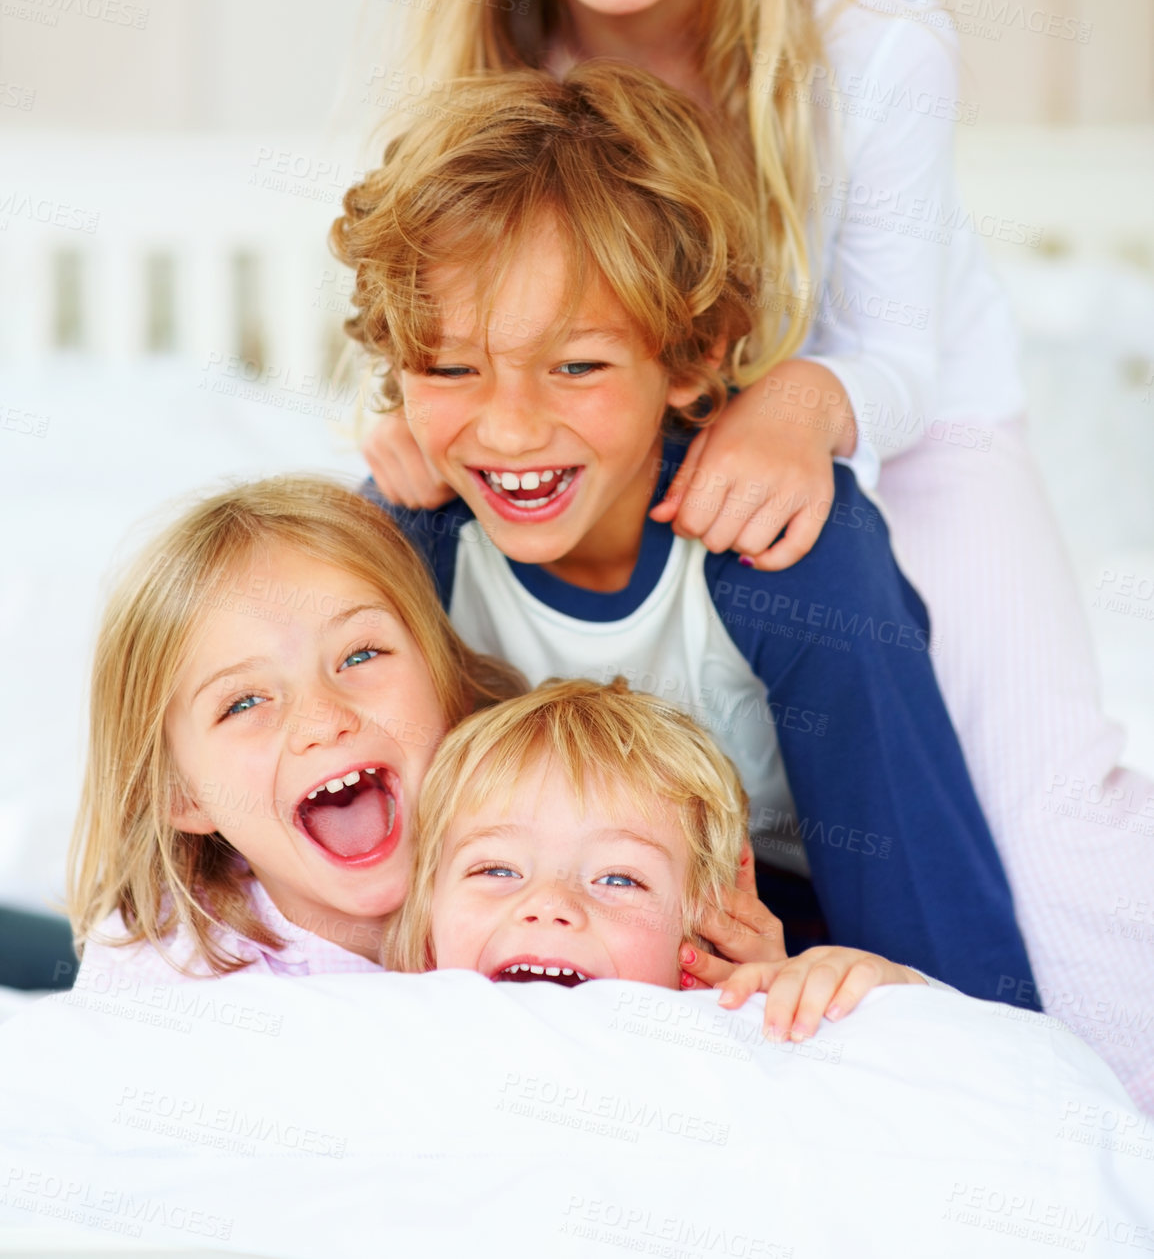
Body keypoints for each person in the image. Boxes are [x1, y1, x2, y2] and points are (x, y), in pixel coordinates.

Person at [356, 0, 1153, 1107]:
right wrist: (409, 422)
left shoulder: (869, 28)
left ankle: (1031, 1102)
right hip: (620, 446)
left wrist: (803, 401)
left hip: (903, 431)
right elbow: (454, 318)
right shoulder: (487, 57)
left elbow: (897, 353)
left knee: (1054, 843)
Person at [333, 60, 1036, 1004]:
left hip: (767, 956)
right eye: (451, 370)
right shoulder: (406, 553)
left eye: (576, 366)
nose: (506, 430)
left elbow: (937, 938)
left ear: (692, 357)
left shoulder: (786, 555)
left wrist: (831, 984)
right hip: (502, 951)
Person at [68, 476, 521, 984]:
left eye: (360, 655)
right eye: (243, 703)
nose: (323, 722)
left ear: (449, 685)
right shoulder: (161, 982)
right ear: (181, 793)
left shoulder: (553, 906)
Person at [390, 677, 933, 1043]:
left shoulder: (739, 1042)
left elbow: (937, 1065)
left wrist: (877, 993)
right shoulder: (384, 1031)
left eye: (619, 878)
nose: (549, 905)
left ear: (700, 938)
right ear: (427, 925)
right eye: (496, 870)